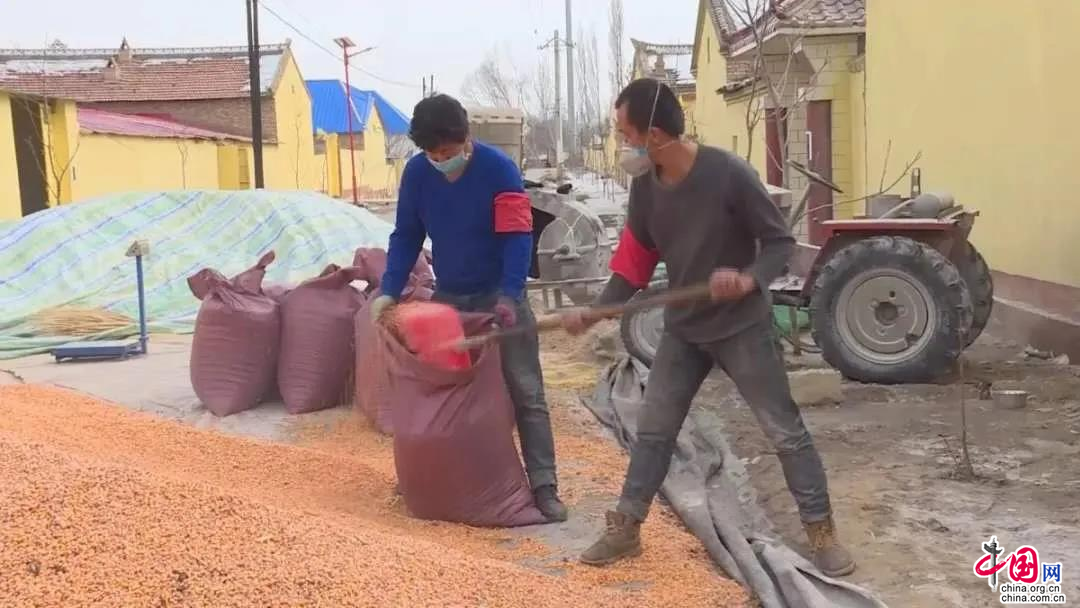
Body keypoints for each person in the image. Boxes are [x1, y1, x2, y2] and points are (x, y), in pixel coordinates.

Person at [560, 78, 855, 576]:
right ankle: (625, 528)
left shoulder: (728, 174)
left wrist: (748, 279)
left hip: (741, 328)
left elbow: (779, 243)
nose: (621, 143)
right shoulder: (645, 188)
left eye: (625, 133)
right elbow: (634, 262)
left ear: (654, 136)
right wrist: (596, 310)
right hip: (684, 330)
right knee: (654, 431)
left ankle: (822, 533)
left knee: (784, 431)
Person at [371, 93, 568, 523]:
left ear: (466, 139)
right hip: (450, 299)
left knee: (526, 391)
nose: (443, 161)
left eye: (449, 152)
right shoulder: (418, 174)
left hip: (500, 295)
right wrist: (390, 289)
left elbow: (517, 235)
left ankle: (544, 484)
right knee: (441, 391)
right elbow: (406, 236)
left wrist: (510, 293)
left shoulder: (499, 169)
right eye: (434, 155)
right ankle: (442, 476)